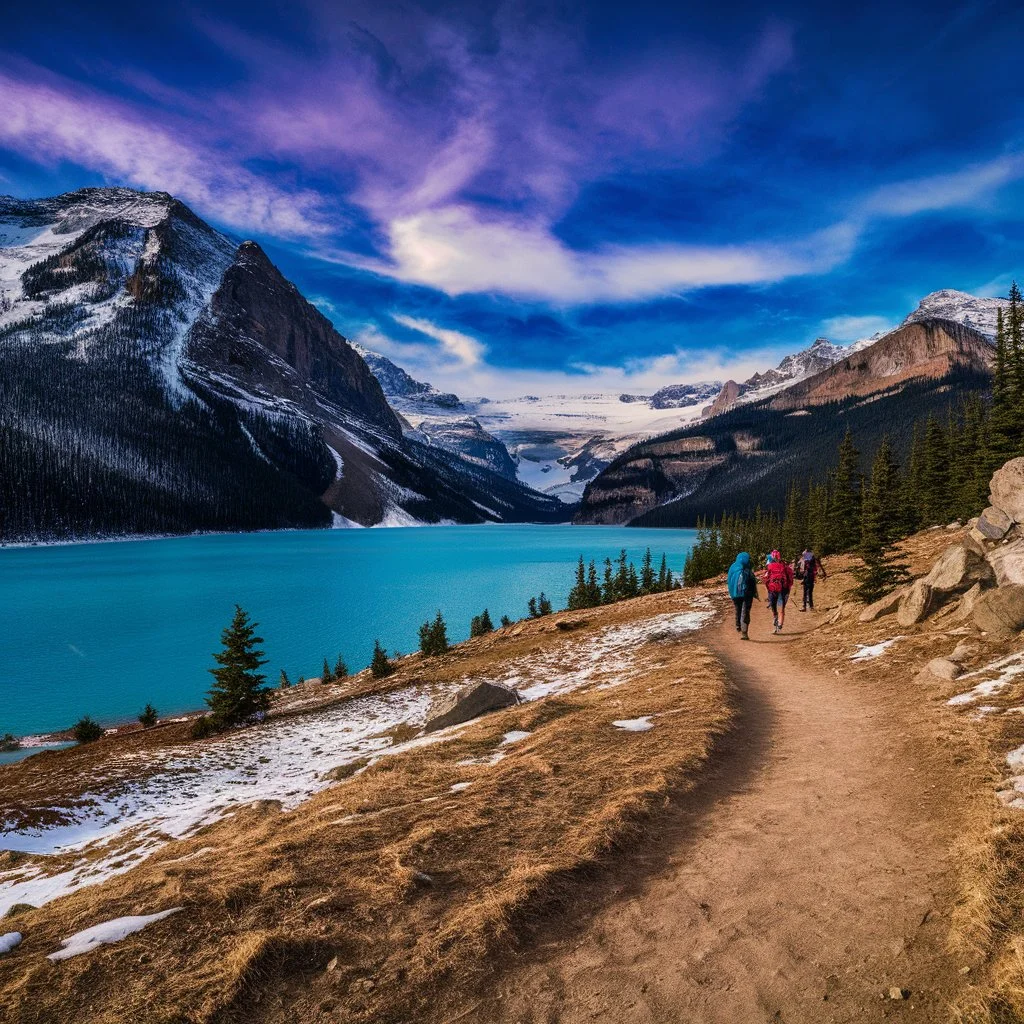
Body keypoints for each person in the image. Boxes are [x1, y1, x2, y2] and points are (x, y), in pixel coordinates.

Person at [727, 551, 758, 640]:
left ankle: (738, 625)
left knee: (738, 609)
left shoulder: (733, 567)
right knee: (745, 611)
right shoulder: (748, 569)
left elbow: (729, 581)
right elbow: (753, 582)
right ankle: (744, 632)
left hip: (735, 593)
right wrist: (754, 593)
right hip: (747, 594)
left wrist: (732, 593)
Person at [762, 549, 794, 634]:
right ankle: (779, 626)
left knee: (773, 606)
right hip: (783, 590)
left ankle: (776, 619)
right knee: (781, 608)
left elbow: (765, 579)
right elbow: (790, 579)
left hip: (773, 590)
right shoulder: (785, 567)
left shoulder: (769, 566)